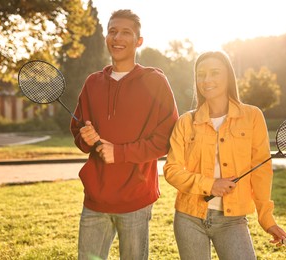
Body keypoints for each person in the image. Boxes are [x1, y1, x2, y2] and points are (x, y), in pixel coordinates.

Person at [71, 9, 178, 260]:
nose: (117, 37)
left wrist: (119, 153)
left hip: (136, 200)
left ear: (138, 41)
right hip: (95, 200)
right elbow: (78, 131)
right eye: (112, 31)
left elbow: (166, 139)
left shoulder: (155, 81)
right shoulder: (92, 83)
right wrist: (83, 139)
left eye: (126, 32)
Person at [163, 50, 286, 259]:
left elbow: (262, 173)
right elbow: (171, 170)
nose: (207, 80)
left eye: (215, 73)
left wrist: (267, 220)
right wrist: (210, 184)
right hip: (189, 218)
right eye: (201, 74)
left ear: (228, 76)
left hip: (233, 220)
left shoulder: (252, 116)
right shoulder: (186, 122)